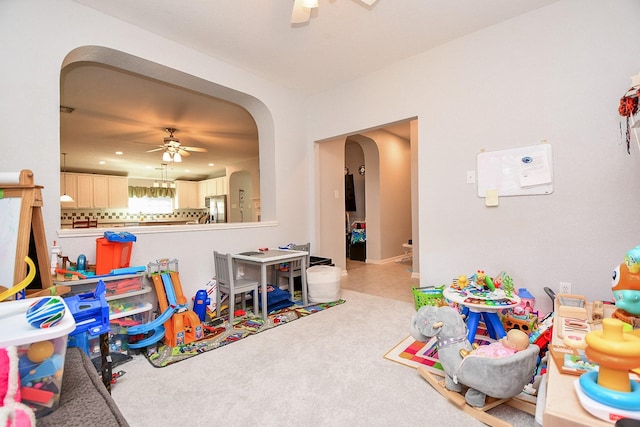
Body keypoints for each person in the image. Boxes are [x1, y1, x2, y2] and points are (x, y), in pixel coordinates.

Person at [459, 328, 529, 358]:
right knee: (485, 347)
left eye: (507, 338)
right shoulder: (508, 346)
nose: (504, 337)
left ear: (512, 346)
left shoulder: (505, 353)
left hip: (487, 356)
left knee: (481, 354)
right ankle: (478, 348)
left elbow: (497, 358)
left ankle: (469, 355)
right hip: (490, 349)